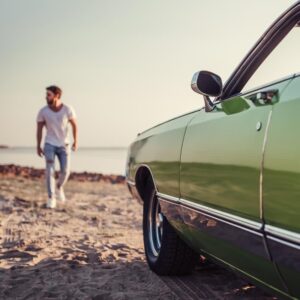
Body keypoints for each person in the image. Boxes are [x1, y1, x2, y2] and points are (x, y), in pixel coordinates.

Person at [36, 85, 78, 208]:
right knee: (50, 170)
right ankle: (51, 197)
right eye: (46, 95)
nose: (46, 97)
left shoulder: (67, 109)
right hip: (49, 144)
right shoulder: (43, 112)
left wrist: (76, 141)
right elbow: (39, 130)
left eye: (49, 94)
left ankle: (59, 186)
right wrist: (38, 146)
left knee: (65, 171)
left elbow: (75, 125)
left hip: (64, 145)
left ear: (57, 95)